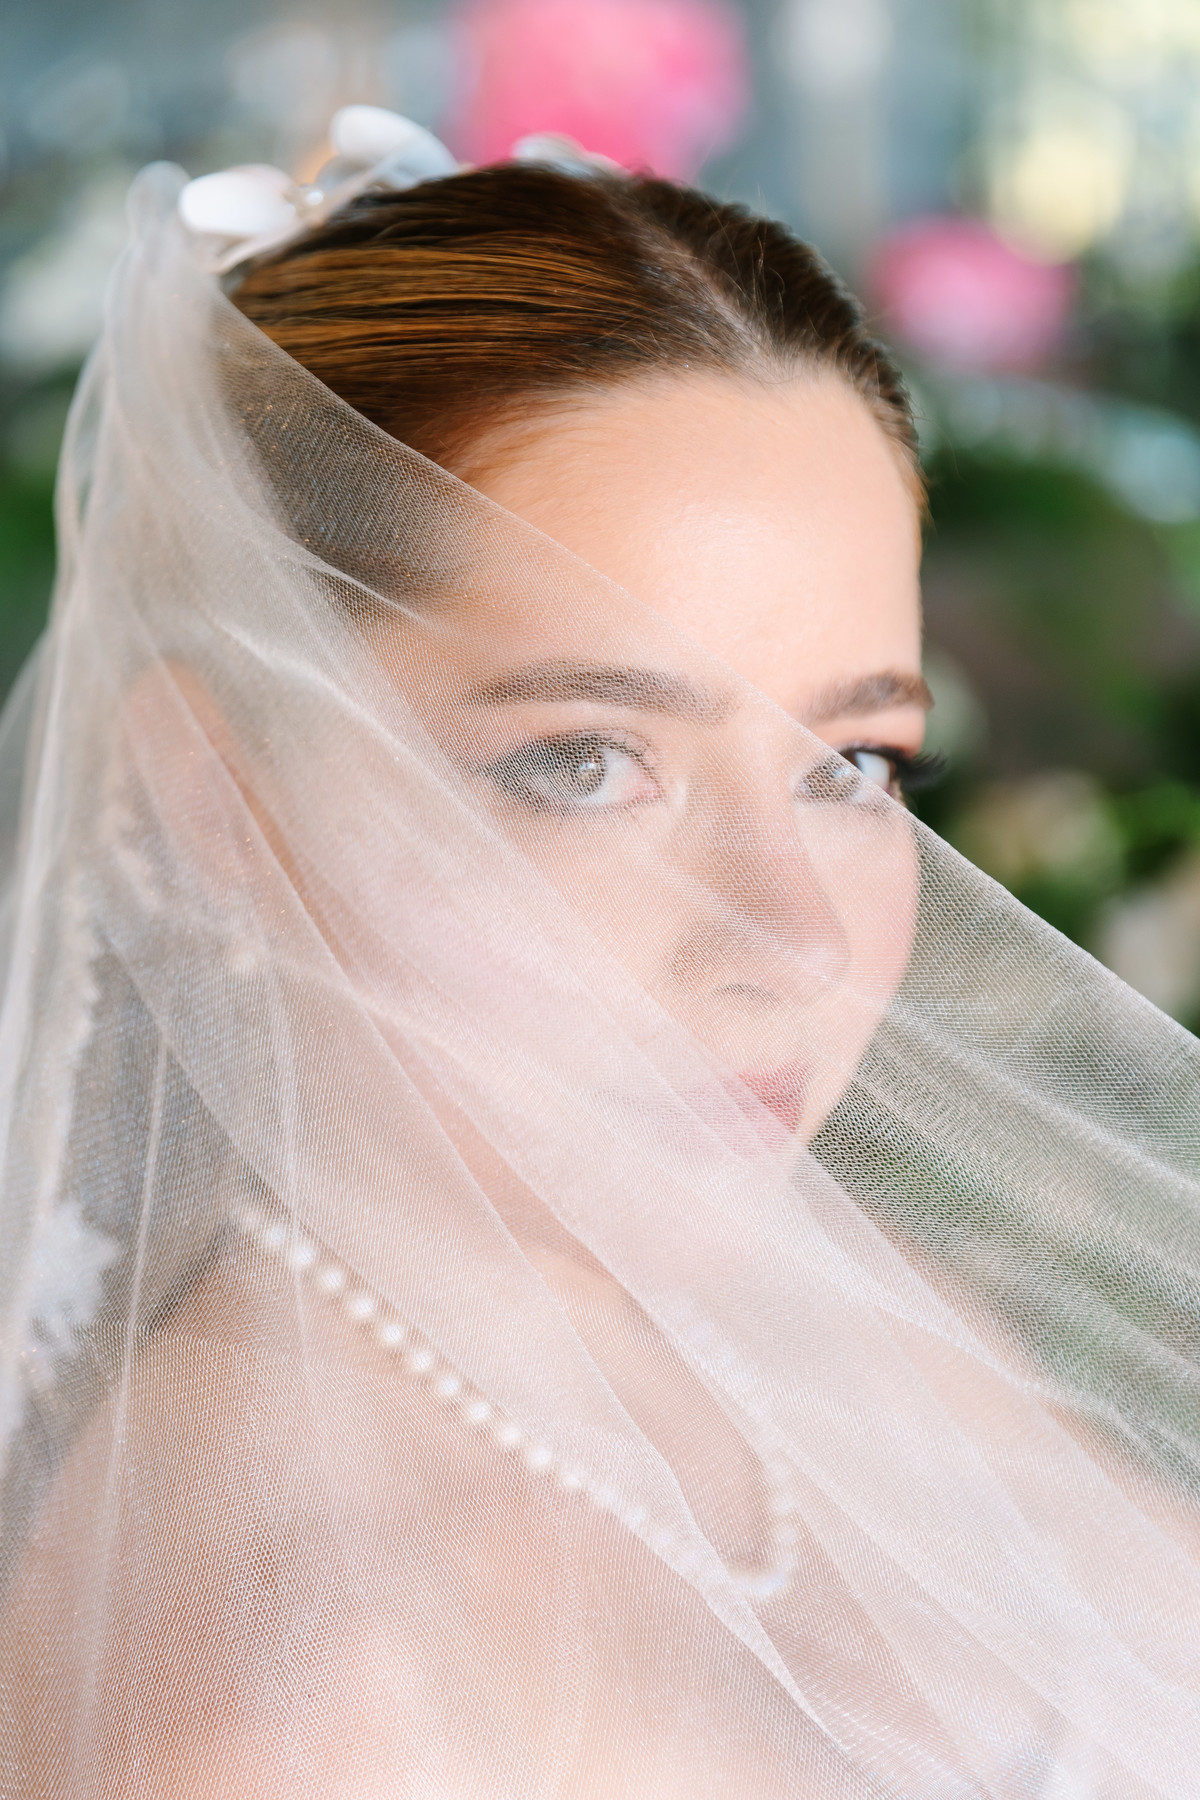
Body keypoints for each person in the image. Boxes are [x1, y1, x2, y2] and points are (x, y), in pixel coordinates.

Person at [2, 113, 1199, 1799]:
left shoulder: (859, 1326)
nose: (790, 939)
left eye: (852, 764)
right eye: (582, 763)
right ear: (218, 798)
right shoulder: (281, 1711)